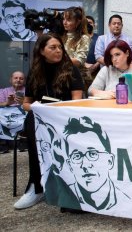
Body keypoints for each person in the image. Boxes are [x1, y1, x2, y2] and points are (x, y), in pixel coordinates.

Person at [14, 33, 84, 210]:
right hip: (41, 117)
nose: (58, 50)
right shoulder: (35, 72)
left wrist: (57, 109)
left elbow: (78, 100)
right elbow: (26, 103)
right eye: (53, 47)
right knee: (31, 120)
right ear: (42, 51)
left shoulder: (71, 69)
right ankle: (36, 187)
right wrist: (39, 108)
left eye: (60, 47)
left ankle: (68, 188)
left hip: (65, 118)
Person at [63, 116, 130, 211]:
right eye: (77, 156)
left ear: (110, 161)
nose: (85, 165)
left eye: (92, 154)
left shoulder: (128, 202)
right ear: (70, 165)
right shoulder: (65, 197)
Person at [62, 7, 91, 91]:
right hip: (61, 76)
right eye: (64, 19)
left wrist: (59, 60)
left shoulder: (84, 38)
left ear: (78, 22)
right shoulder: (61, 36)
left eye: (69, 20)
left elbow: (79, 61)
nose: (65, 22)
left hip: (77, 77)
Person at [84, 16, 100, 85]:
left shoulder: (99, 38)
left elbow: (103, 54)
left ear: (94, 25)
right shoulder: (78, 38)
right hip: (81, 70)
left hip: (96, 71)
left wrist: (94, 67)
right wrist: (84, 65)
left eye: (90, 23)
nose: (88, 24)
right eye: (86, 23)